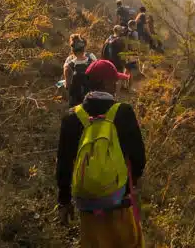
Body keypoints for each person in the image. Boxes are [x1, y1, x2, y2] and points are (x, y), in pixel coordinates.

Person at [56, 59, 145, 247]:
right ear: (107, 84)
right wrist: (132, 185)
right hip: (118, 197)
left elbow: (63, 162)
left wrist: (64, 201)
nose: (117, 84)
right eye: (115, 81)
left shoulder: (72, 116)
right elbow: (139, 157)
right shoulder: (123, 112)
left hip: (87, 202)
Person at [63, 34, 97, 107]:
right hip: (91, 97)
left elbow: (67, 85)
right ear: (84, 47)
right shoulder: (91, 57)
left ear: (72, 48)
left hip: (75, 100)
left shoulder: (68, 62)